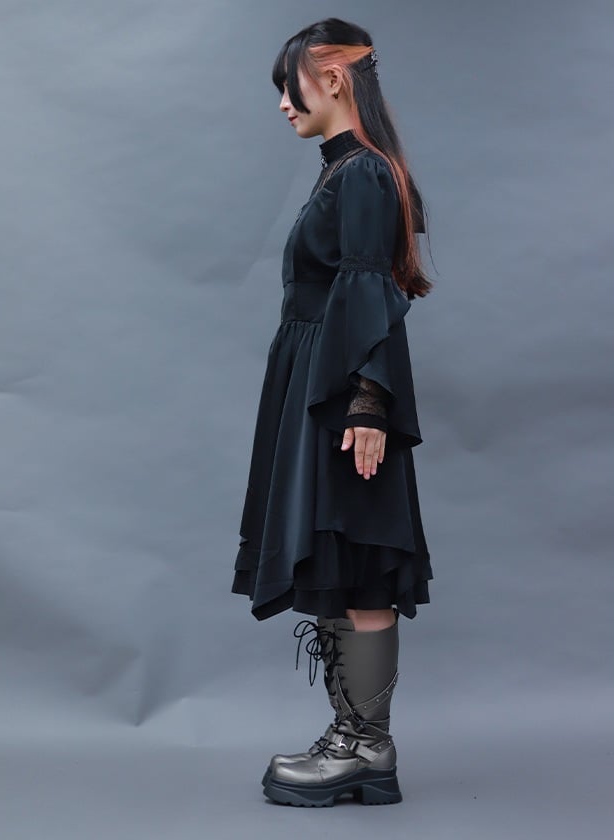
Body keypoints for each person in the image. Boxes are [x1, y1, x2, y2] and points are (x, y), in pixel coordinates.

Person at [231, 17, 434, 807]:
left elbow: (370, 289)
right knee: (342, 563)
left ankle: (365, 747)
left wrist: (370, 402)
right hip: (319, 388)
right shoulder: (342, 174)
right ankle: (354, 742)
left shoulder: (363, 176)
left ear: (334, 77)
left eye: (290, 85)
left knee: (363, 564)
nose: (283, 103)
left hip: (344, 398)